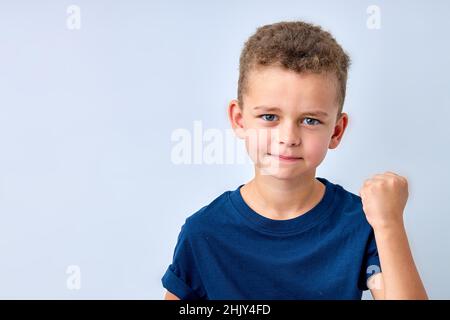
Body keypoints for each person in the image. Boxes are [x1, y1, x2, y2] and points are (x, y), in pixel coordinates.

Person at [162, 20, 428, 300]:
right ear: (239, 120)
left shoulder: (361, 224)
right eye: (269, 117)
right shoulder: (204, 231)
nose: (288, 137)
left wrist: (389, 223)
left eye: (310, 120)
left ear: (336, 131)